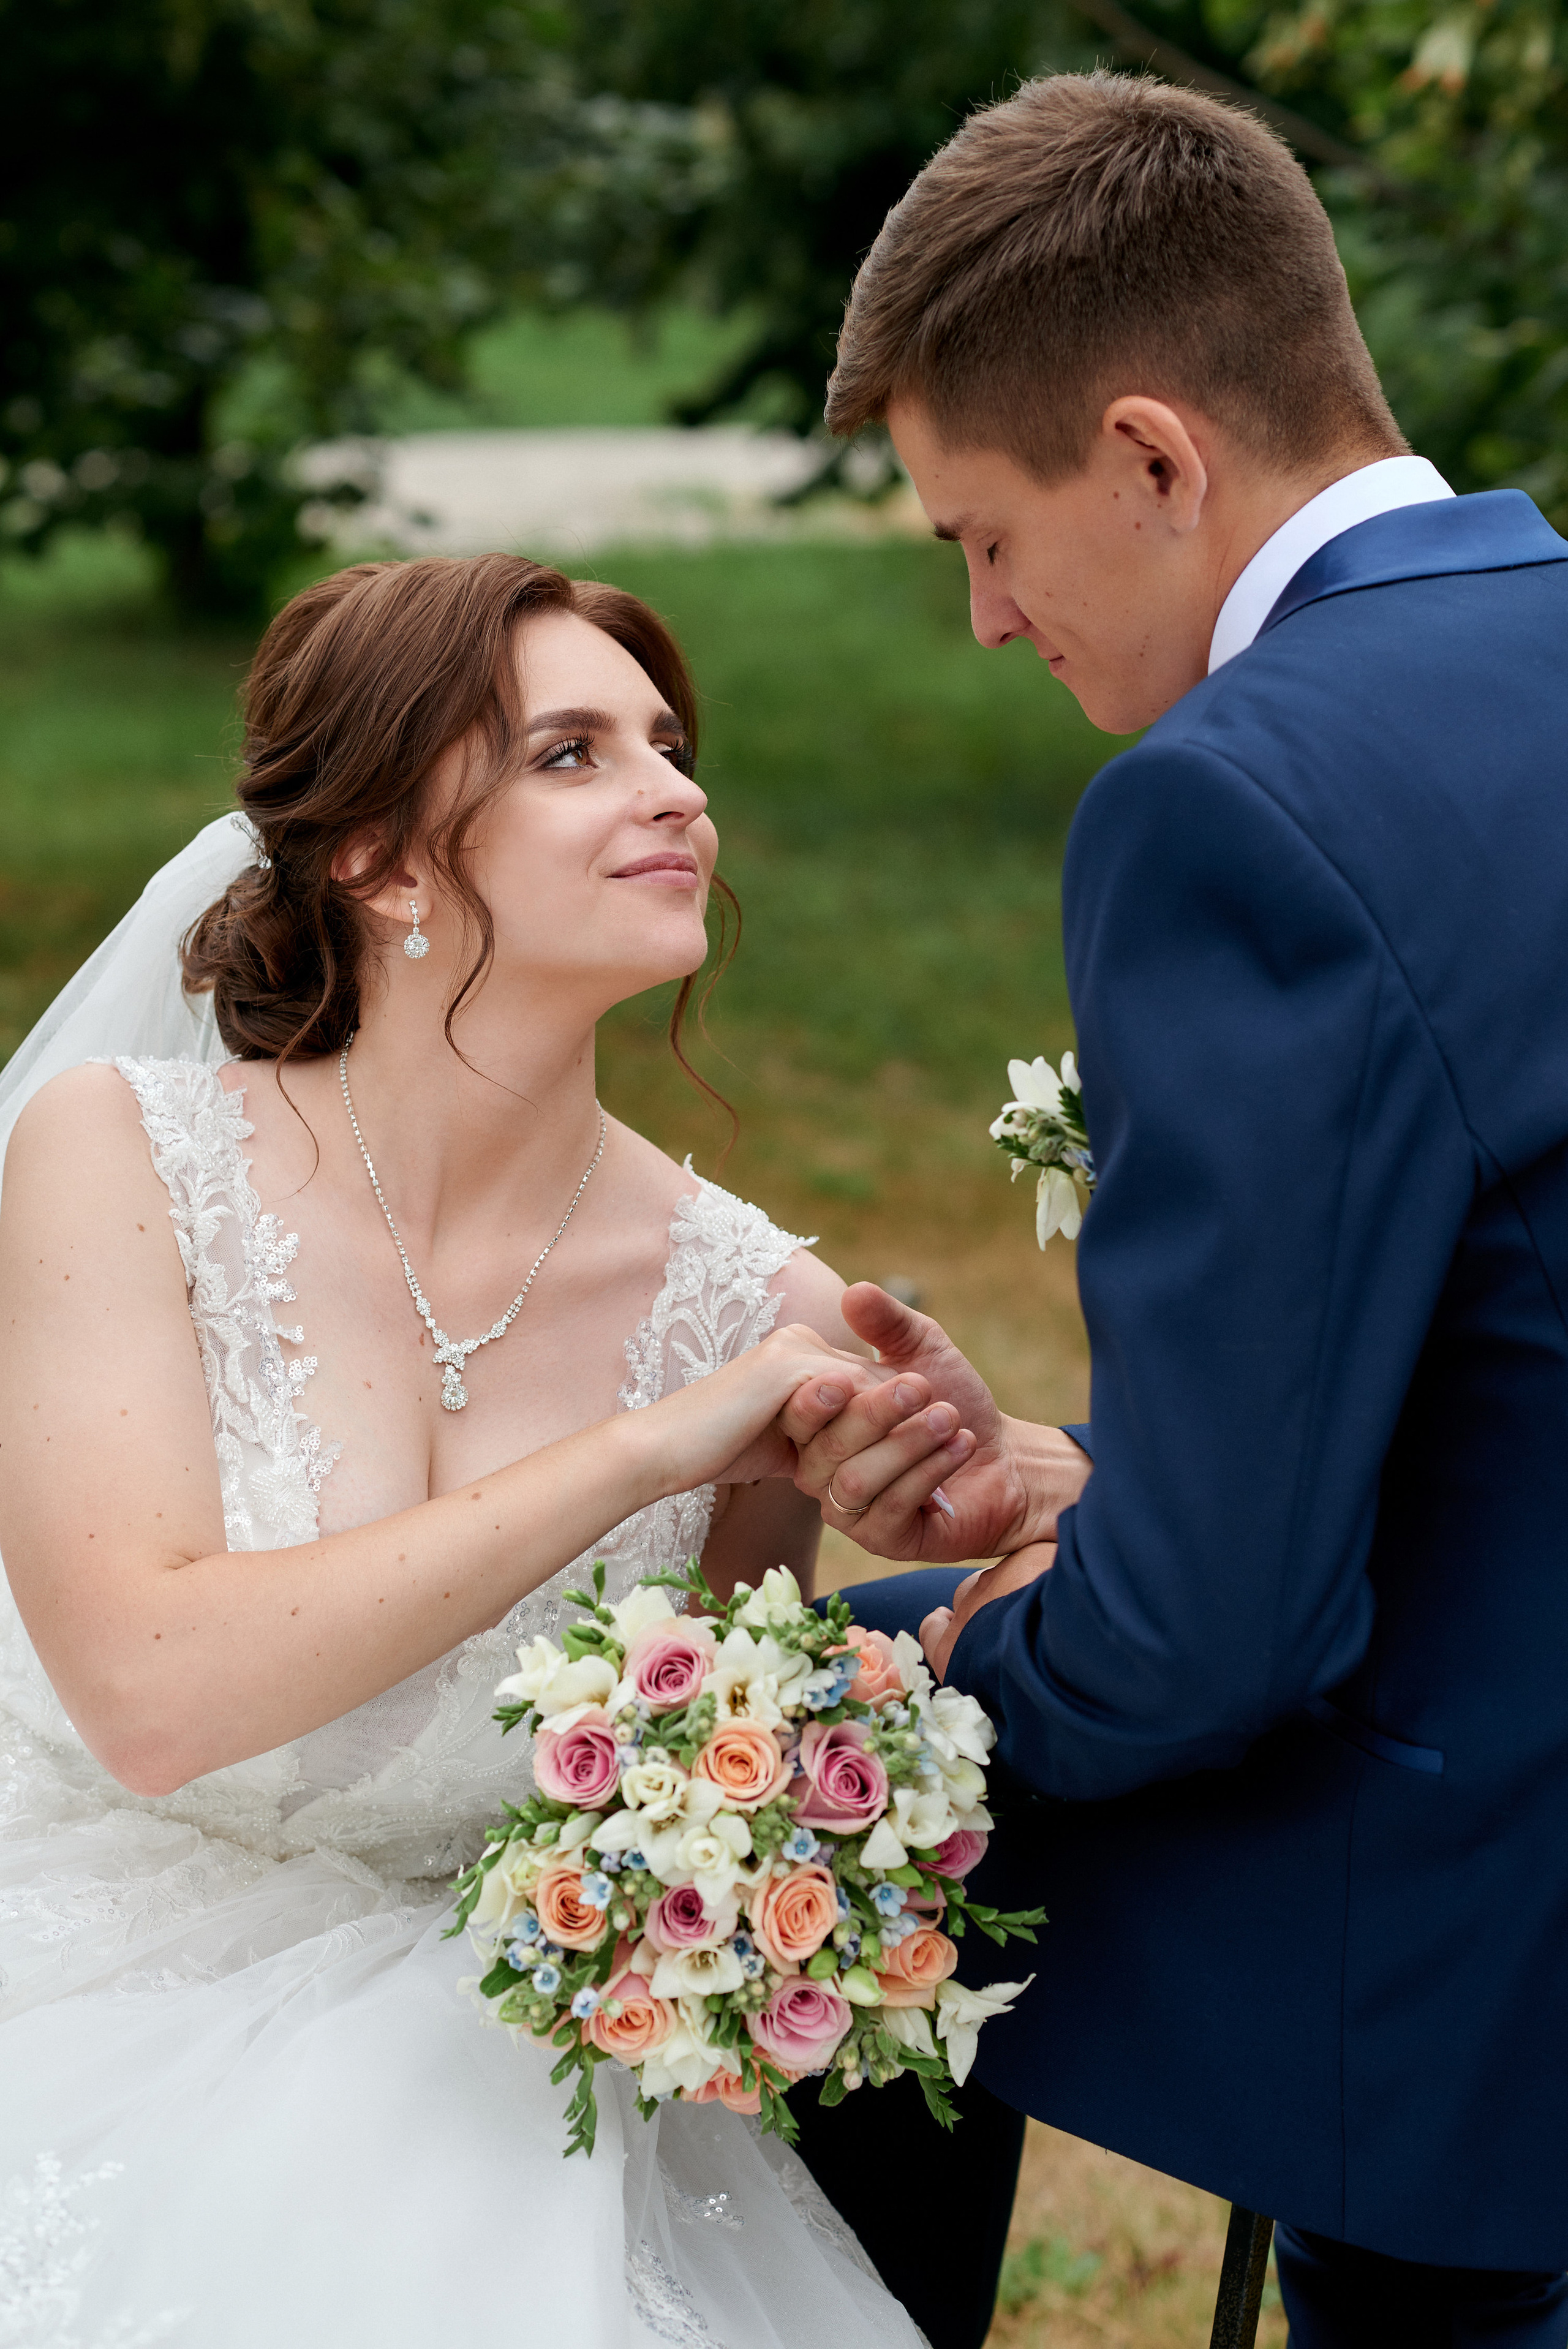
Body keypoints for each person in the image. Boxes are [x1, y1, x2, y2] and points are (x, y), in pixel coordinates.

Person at [777, 67, 1568, 2349]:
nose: (984, 620)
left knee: (811, 1725)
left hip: (1482, 2009)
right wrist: (1101, 1478)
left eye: (984, 537)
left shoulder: (1242, 807)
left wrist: (934, 1663)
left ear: (1150, 455)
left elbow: (1218, 1638)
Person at [0, 552, 953, 2345]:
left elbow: (688, 1782)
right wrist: (645, 1449)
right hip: (71, 1966)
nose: (677, 794)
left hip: (483, 2041)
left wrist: (951, 1492)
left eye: (670, 747)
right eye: (574, 753)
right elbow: (149, 1693)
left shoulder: (759, 1313)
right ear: (379, 860)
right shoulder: (119, 1157)